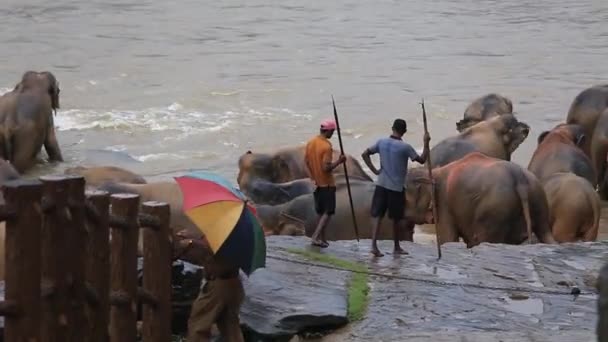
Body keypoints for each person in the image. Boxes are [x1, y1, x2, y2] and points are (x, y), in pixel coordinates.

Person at [361, 118, 430, 257]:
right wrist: (426, 143)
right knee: (396, 218)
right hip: (396, 188)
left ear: (392, 128)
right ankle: (396, 247)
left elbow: (365, 154)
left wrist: (375, 171)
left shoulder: (381, 142)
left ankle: (374, 246)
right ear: (404, 131)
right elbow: (422, 159)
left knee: (377, 215)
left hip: (381, 184)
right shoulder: (405, 147)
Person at [182, 231, 245, 342]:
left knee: (199, 323)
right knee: (230, 326)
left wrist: (193, 242)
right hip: (234, 283)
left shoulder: (223, 233)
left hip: (220, 283)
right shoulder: (239, 234)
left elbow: (212, 255)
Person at [304, 119, 346, 248]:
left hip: (316, 183)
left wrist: (312, 177)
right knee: (328, 212)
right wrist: (339, 161)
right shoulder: (326, 146)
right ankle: (316, 237)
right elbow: (326, 168)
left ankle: (322, 238)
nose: (332, 134)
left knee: (321, 212)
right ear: (327, 131)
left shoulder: (311, 142)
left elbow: (306, 162)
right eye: (332, 132)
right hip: (327, 184)